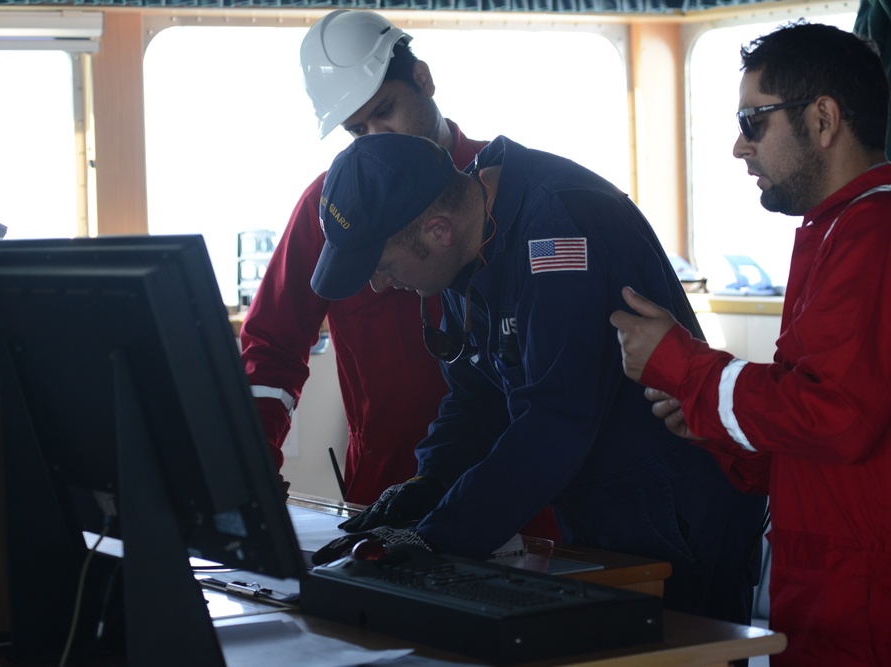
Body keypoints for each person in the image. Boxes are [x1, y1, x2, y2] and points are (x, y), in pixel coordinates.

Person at [309, 131, 768, 627]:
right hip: (601, 511)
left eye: (382, 264)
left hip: (674, 517)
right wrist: (429, 483)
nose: (378, 284)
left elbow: (557, 416)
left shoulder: (559, 229)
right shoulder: (476, 233)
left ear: (437, 230)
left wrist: (438, 536)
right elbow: (475, 393)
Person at [610, 22, 891, 666]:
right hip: (829, 591)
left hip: (864, 608)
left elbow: (836, 417)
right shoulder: (836, 229)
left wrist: (683, 367)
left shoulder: (873, 233)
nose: (740, 146)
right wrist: (708, 423)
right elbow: (810, 430)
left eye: (753, 120)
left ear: (823, 119)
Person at [241, 9, 560, 543]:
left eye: (384, 112)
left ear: (424, 80)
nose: (375, 139)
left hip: (525, 494)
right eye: (357, 130)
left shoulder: (513, 191)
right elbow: (271, 348)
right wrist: (249, 475)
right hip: (384, 493)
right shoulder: (331, 209)